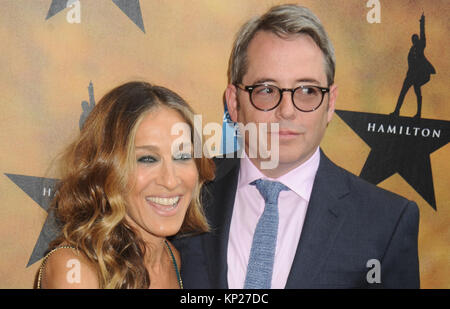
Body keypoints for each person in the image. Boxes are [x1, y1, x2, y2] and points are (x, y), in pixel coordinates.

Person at [174, 4, 420, 288]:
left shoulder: (386, 222)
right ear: (234, 102)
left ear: (331, 104)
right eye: (266, 90)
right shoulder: (184, 190)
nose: (287, 111)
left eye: (307, 91)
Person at [36, 81, 214, 288]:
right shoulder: (76, 268)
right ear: (108, 170)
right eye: (147, 159)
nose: (171, 180)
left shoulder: (172, 258)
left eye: (183, 156)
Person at [391, 13, 436, 118]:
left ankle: (418, 113)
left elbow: (422, 33)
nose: (414, 40)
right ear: (412, 41)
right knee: (403, 92)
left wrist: (422, 22)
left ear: (418, 40)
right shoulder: (411, 50)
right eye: (413, 39)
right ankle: (397, 111)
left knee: (417, 92)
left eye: (416, 38)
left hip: (419, 74)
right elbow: (410, 63)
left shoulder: (421, 46)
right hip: (410, 75)